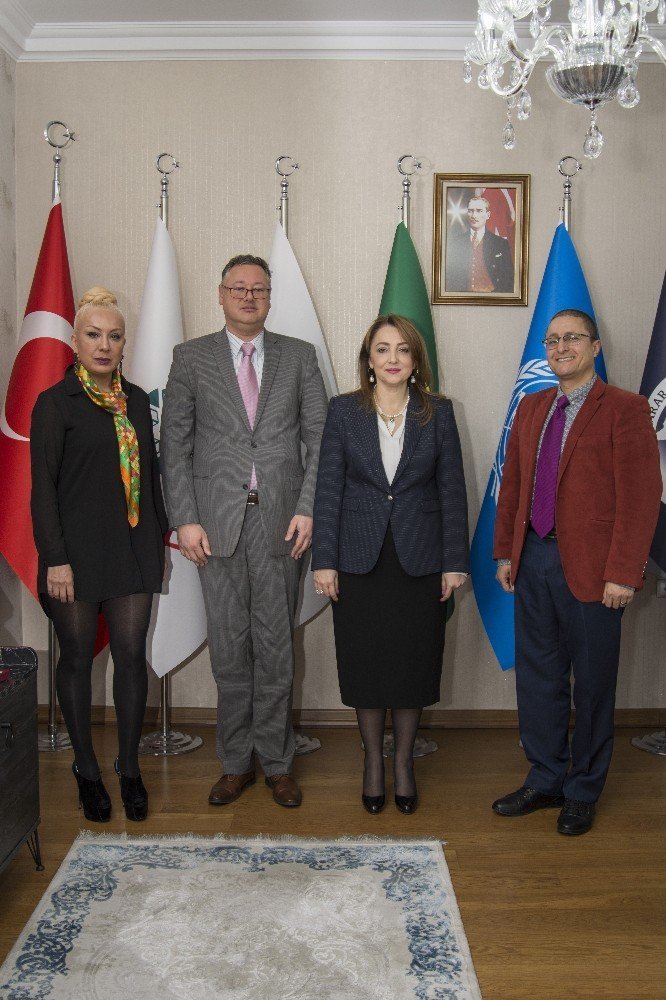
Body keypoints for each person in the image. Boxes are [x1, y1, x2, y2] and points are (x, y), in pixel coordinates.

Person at [161, 254, 327, 809]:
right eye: (238, 288)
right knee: (230, 649)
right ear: (221, 294)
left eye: (258, 289)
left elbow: (320, 439)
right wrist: (185, 518)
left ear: (270, 297)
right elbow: (174, 447)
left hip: (282, 522)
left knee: (276, 648)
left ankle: (277, 763)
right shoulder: (191, 358)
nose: (249, 296)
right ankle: (235, 763)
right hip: (215, 526)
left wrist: (308, 507)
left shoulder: (299, 357)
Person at [492, 309, 662, 835]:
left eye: (572, 338)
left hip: (596, 569)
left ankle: (583, 790)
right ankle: (545, 778)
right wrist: (505, 553)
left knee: (591, 686)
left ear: (594, 346)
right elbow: (513, 485)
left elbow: (641, 498)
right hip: (533, 559)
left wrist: (624, 572)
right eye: (553, 340)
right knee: (538, 680)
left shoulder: (626, 409)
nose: (561, 347)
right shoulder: (532, 407)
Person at [311, 314, 469, 814]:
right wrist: (324, 560)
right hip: (357, 559)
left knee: (411, 664)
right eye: (383, 349)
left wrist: (454, 562)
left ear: (415, 359)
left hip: (420, 560)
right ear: (369, 360)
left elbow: (452, 491)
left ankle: (402, 764)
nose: (393, 358)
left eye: (403, 349)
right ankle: (372, 764)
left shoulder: (438, 412)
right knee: (365, 663)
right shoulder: (343, 411)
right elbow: (328, 489)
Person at [30, 288, 168, 823]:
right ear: (75, 340)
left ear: (124, 342)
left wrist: (157, 542)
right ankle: (86, 770)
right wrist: (55, 558)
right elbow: (42, 491)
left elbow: (150, 478)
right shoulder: (55, 403)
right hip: (74, 556)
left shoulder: (135, 400)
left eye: (114, 336)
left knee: (131, 657)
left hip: (132, 549)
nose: (104, 345)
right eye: (93, 335)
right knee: (77, 658)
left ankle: (128, 768)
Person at [446, 196, 514, 293]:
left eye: (479, 211)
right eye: (470, 211)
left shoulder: (501, 244)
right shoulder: (456, 243)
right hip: (463, 298)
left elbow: (509, 280)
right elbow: (450, 278)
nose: (474, 215)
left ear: (488, 215)